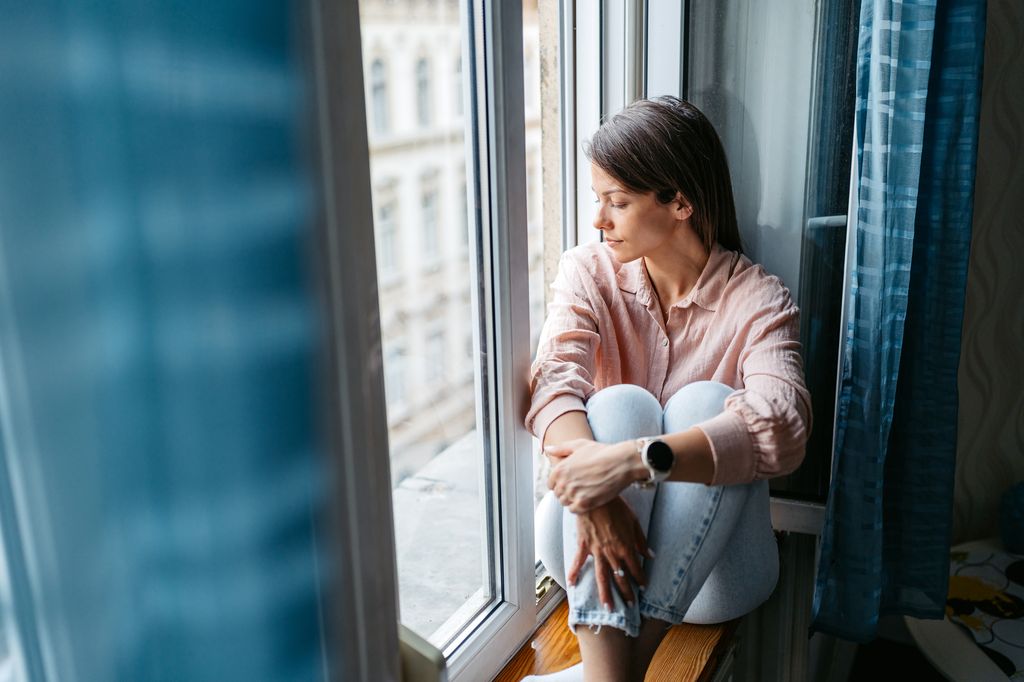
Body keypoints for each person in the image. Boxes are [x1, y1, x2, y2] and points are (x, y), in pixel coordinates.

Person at [523, 96, 811, 682]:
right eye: (598, 200)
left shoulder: (757, 298)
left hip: (714, 570)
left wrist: (631, 462)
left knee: (707, 404)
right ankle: (614, 674)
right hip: (586, 539)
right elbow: (554, 381)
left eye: (617, 202)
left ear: (680, 202)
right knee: (618, 404)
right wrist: (598, 481)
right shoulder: (588, 270)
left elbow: (784, 425)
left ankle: (610, 670)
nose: (599, 220)